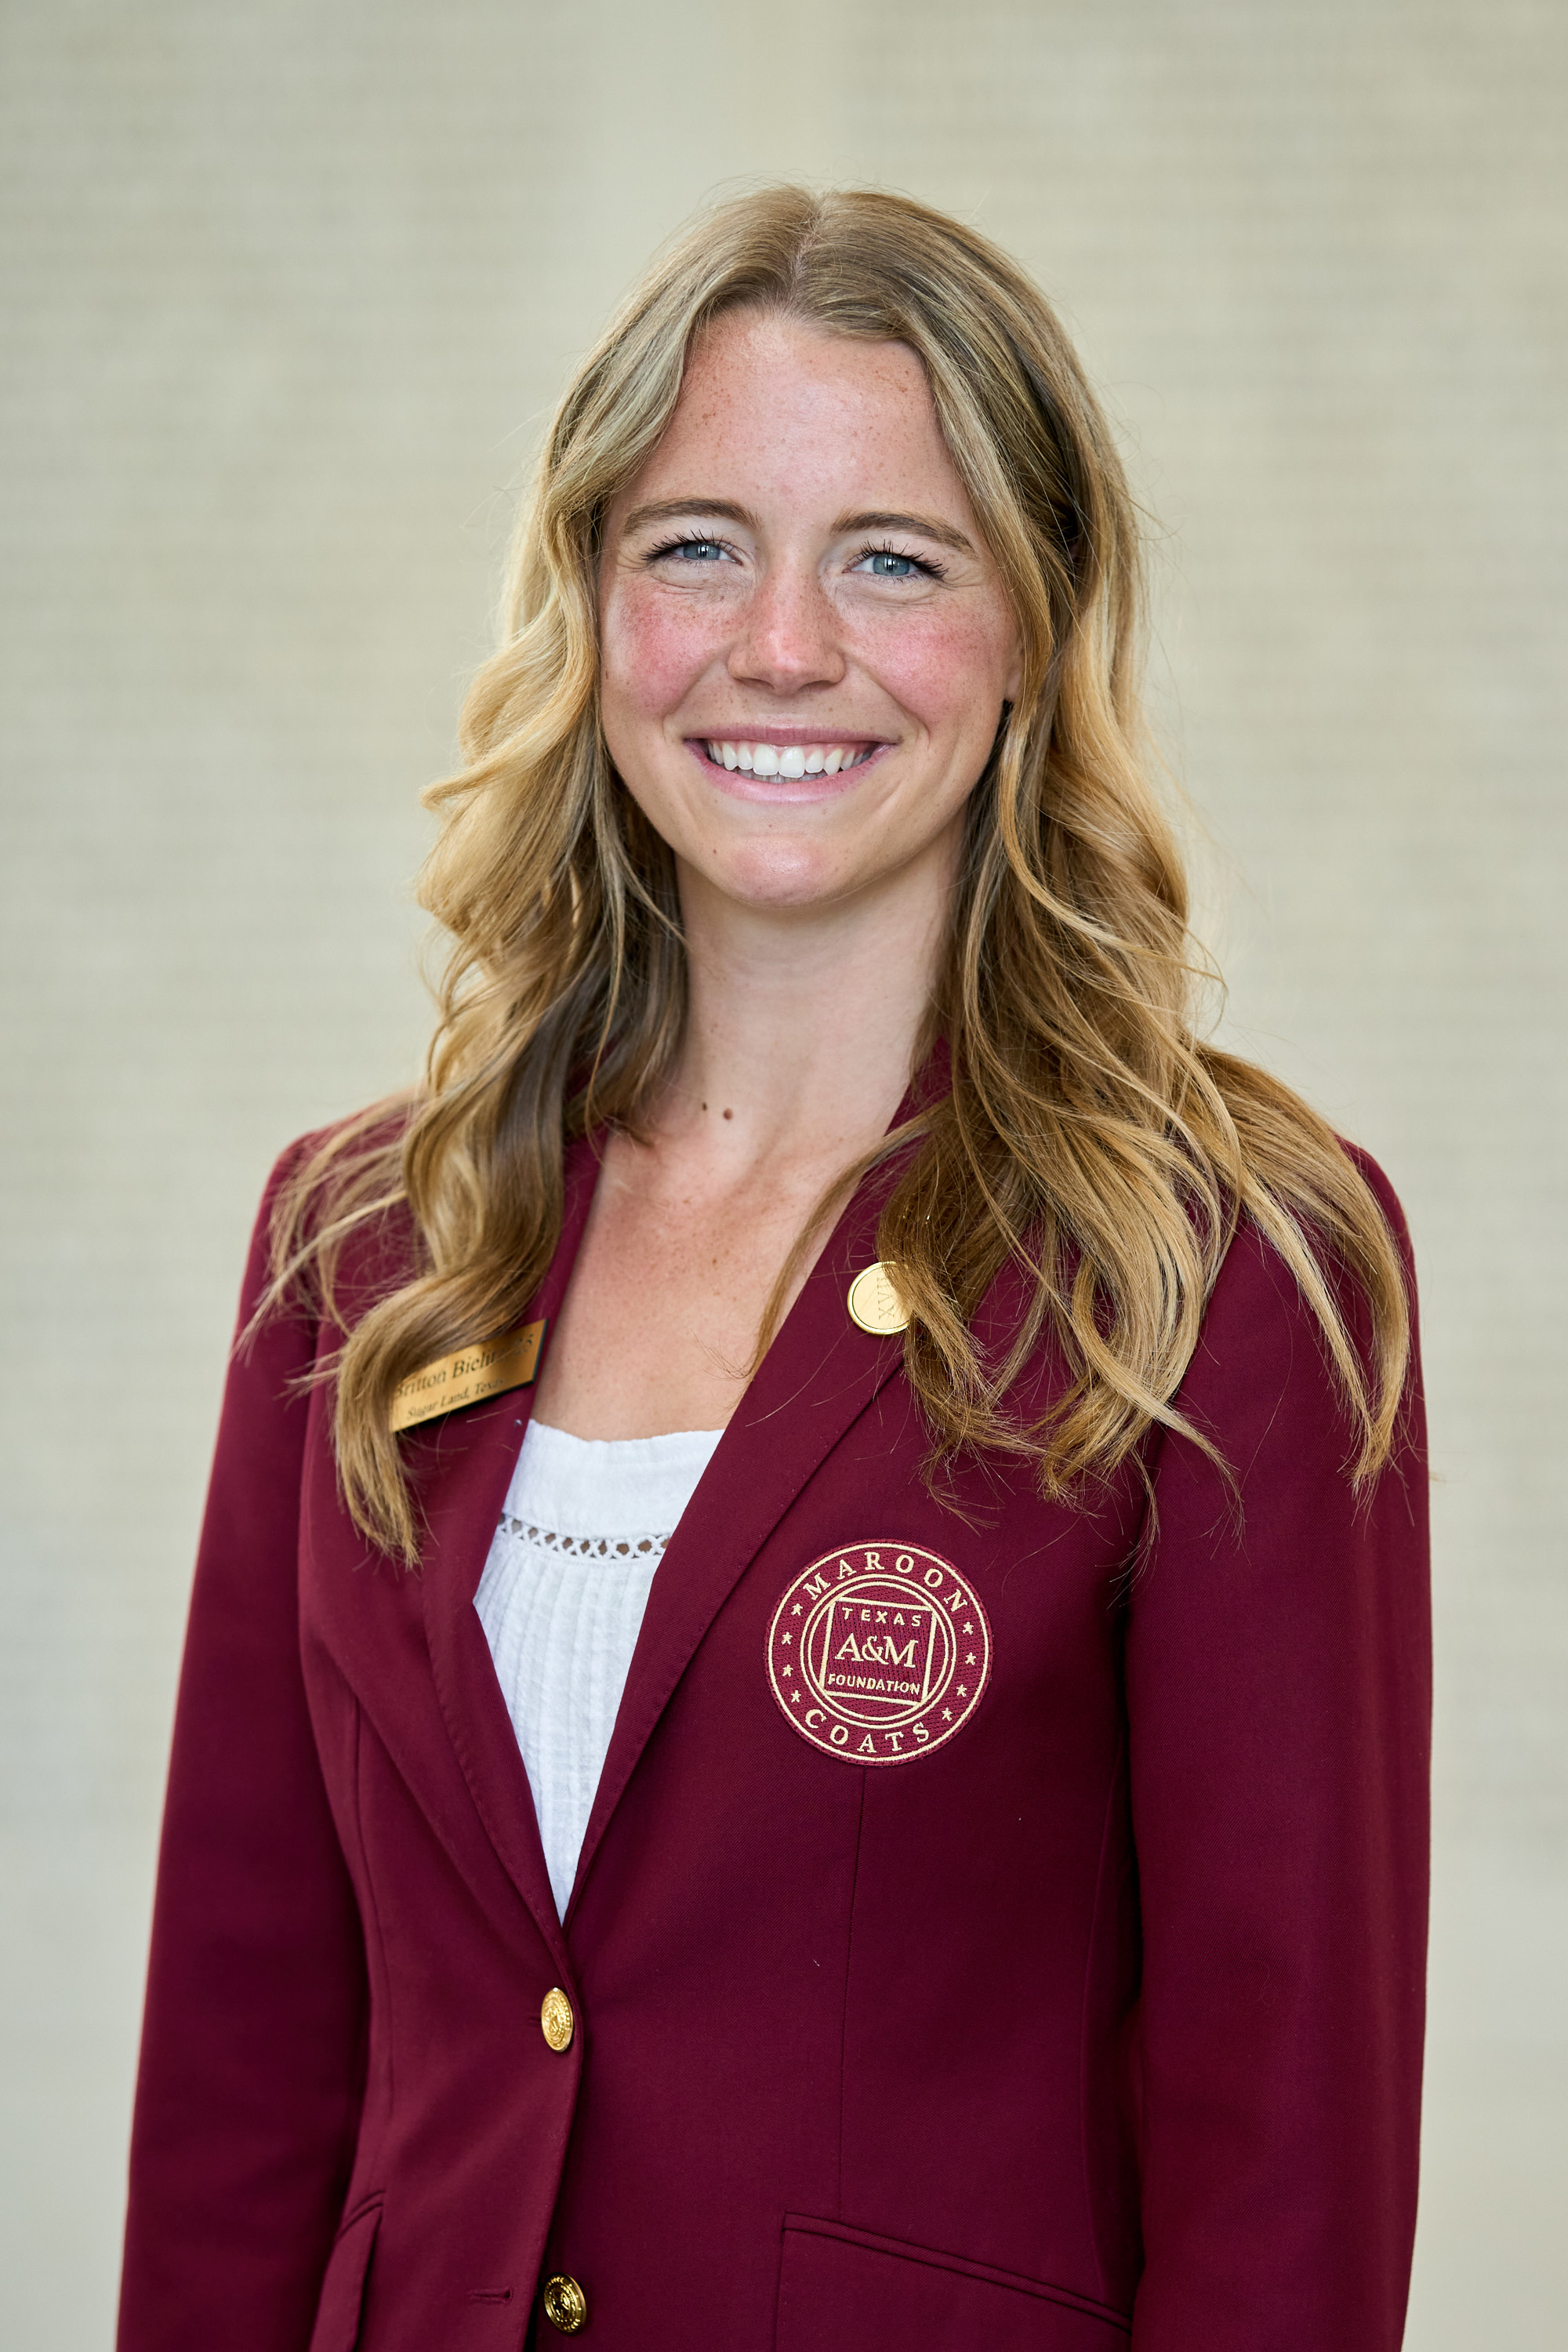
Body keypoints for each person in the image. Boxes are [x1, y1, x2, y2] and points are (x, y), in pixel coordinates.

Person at [117, 187, 1429, 2352]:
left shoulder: (1224, 1269)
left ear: (1033, 632)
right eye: (699, 545)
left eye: (892, 559)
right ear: (592, 604)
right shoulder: (361, 1255)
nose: (785, 645)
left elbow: (1282, 2162)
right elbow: (240, 2080)